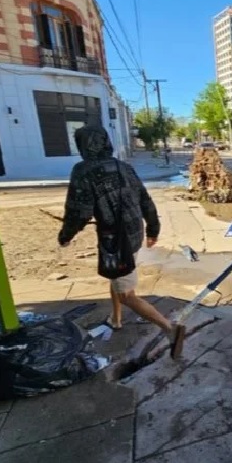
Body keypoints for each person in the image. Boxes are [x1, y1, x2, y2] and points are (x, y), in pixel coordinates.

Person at [58, 124, 185, 358]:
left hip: (116, 242)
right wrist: (153, 229)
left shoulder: (82, 171)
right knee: (115, 276)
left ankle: (170, 330)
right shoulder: (124, 167)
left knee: (127, 294)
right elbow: (145, 200)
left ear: (83, 146)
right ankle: (115, 319)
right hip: (134, 233)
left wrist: (65, 236)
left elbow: (78, 211)